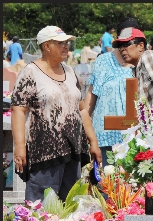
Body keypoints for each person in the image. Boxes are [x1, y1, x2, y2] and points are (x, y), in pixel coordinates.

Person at [11, 25, 101, 202]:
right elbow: (18, 110)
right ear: (46, 46)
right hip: (45, 151)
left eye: (67, 43)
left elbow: (81, 108)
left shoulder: (70, 71)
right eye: (60, 43)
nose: (66, 46)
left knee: (71, 204)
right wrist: (20, 147)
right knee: (42, 206)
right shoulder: (30, 73)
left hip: (73, 149)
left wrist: (93, 141)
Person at [83, 17, 139, 167]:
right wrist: (84, 122)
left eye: (131, 40)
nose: (126, 45)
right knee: (105, 183)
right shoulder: (104, 61)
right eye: (123, 40)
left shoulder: (143, 62)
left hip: (135, 137)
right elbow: (92, 93)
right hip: (104, 133)